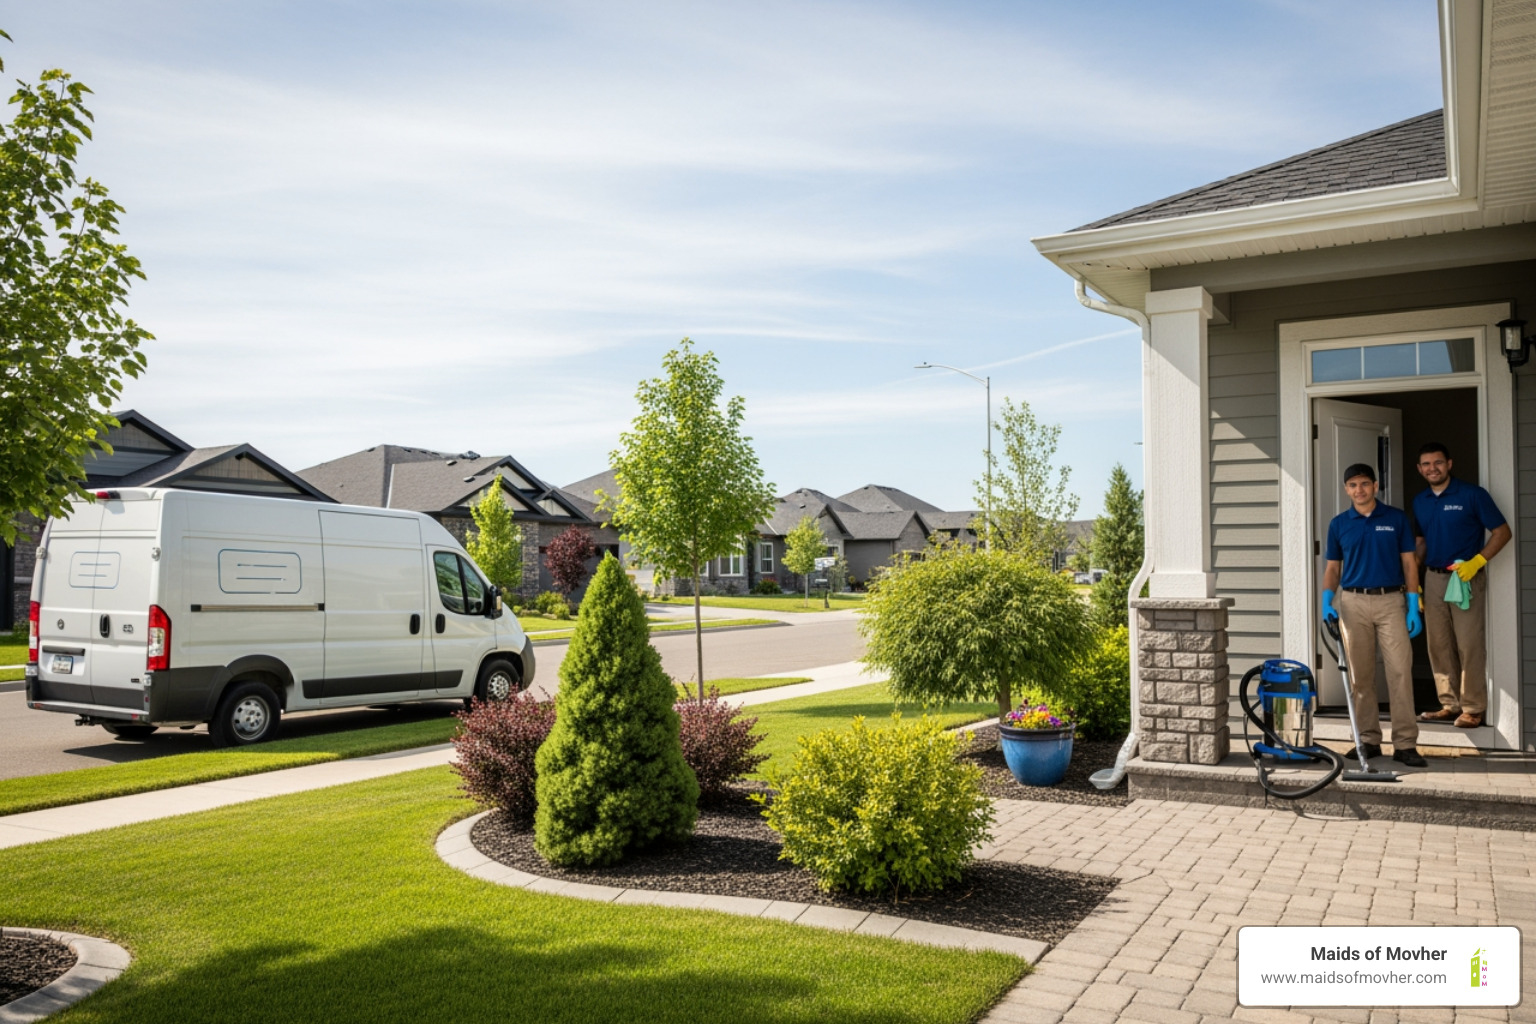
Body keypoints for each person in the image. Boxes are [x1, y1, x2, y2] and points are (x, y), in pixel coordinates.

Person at [1320, 462, 1426, 768]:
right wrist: (1328, 601)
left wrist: (1413, 603)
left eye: (1364, 484)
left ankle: (1405, 744)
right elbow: (1332, 569)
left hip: (1391, 601)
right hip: (1352, 604)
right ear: (1346, 489)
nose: (1359, 490)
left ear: (1375, 486)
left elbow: (1409, 563)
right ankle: (1368, 740)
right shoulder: (1339, 524)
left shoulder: (1395, 519)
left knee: (1399, 672)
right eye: (1353, 485)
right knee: (1360, 676)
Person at [1412, 442, 1511, 729]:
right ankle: (1449, 704)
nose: (1433, 468)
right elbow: (1420, 542)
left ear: (1450, 464)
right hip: (1432, 578)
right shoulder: (1420, 501)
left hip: (1464, 578)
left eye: (1438, 463)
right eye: (1427, 464)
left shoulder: (1472, 495)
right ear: (1420, 469)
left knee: (1469, 644)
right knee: (1438, 644)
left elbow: (1503, 532)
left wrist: (1477, 562)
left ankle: (1472, 708)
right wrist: (1415, 583)